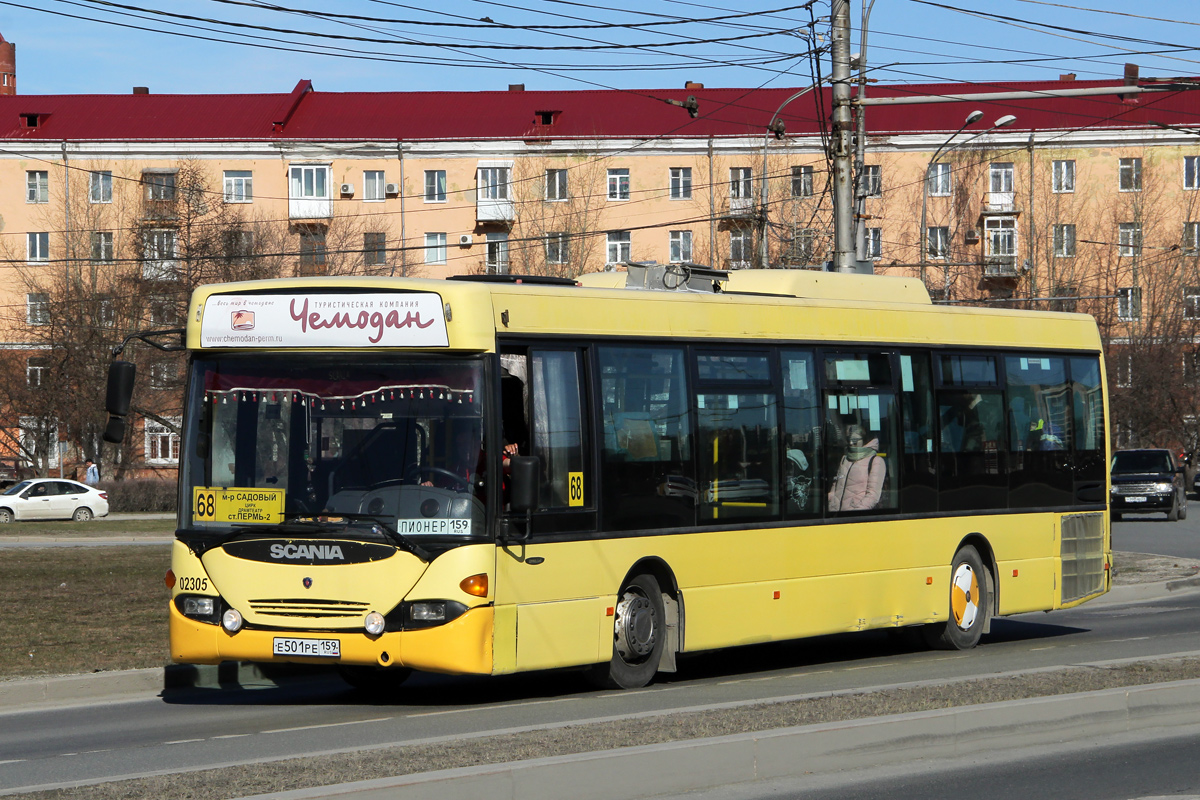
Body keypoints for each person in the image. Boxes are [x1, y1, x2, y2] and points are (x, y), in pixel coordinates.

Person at [827, 424, 885, 512]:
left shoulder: (875, 461)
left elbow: (873, 495)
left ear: (865, 441)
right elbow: (836, 484)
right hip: (836, 514)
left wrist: (857, 512)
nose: (851, 443)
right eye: (849, 440)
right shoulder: (845, 459)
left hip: (856, 517)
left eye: (855, 440)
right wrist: (831, 502)